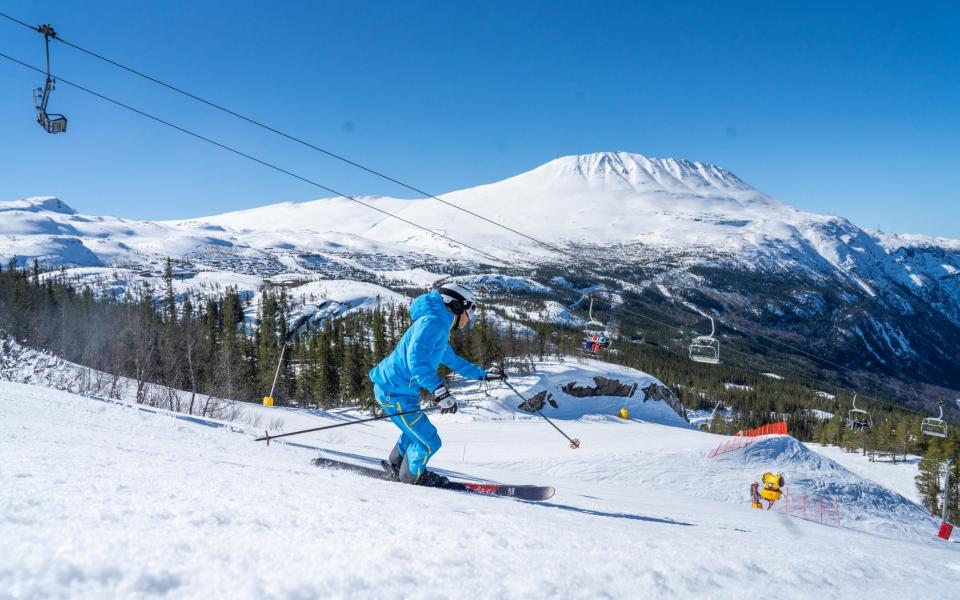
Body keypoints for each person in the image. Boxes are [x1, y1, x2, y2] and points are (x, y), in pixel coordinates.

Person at [368, 283, 506, 487]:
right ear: (458, 307)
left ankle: (397, 465)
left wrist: (483, 375)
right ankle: (411, 476)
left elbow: (452, 360)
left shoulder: (437, 323)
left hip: (399, 391)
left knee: (414, 433)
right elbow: (416, 360)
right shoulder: (433, 323)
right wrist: (440, 392)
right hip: (394, 392)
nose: (469, 320)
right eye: (469, 313)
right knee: (429, 440)